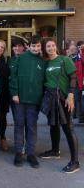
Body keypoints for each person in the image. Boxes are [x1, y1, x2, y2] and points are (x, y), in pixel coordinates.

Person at [39, 38, 80, 174]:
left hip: (64, 98)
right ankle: (55, 150)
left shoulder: (64, 60)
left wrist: (71, 95)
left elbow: (73, 77)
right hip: (51, 98)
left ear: (56, 47)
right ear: (44, 49)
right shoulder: (46, 63)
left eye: (52, 45)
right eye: (47, 46)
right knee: (54, 124)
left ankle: (75, 162)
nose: (50, 48)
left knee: (68, 128)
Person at [10, 35, 45, 168]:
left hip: (34, 100)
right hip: (20, 99)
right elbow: (13, 76)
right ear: (28, 47)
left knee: (31, 126)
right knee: (19, 125)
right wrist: (14, 93)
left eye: (38, 46)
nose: (35, 48)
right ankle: (19, 152)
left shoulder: (42, 61)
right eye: (33, 46)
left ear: (40, 47)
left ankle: (30, 154)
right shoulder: (21, 58)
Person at [68, 44, 84, 119]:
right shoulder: (67, 58)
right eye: (71, 49)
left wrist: (81, 53)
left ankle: (80, 116)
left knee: (78, 99)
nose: (72, 50)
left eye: (74, 49)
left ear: (76, 50)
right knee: (71, 98)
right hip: (69, 81)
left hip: (78, 81)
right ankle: (73, 114)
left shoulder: (80, 57)